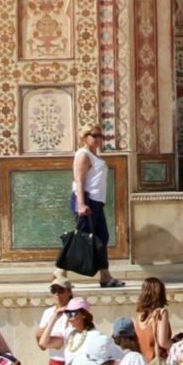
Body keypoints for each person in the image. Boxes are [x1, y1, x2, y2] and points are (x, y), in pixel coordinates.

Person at [54, 124, 121, 289]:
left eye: (101, 136)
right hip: (86, 201)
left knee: (102, 237)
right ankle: (59, 272)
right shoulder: (83, 155)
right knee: (80, 236)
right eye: (95, 135)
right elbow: (79, 180)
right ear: (85, 136)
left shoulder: (94, 156)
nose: (98, 139)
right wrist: (82, 204)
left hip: (96, 202)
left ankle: (105, 275)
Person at [34, 282, 76, 365]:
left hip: (72, 363)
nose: (57, 294)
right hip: (55, 364)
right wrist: (38, 335)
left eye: (60, 290)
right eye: (54, 290)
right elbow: (42, 345)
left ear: (69, 292)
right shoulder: (48, 313)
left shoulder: (75, 311)